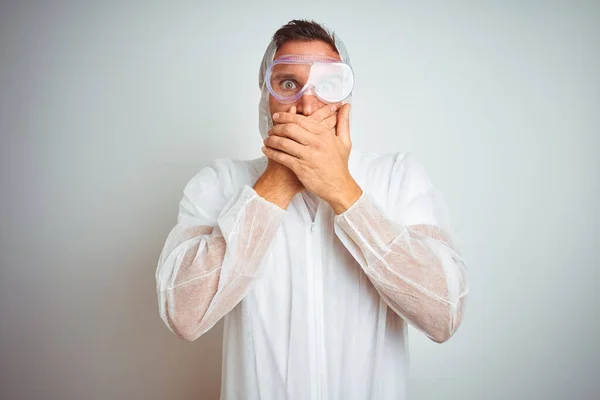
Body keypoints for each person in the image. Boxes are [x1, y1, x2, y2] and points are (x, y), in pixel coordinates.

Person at [155, 19, 468, 400]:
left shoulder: (398, 178)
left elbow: (443, 315)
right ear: (265, 96)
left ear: (345, 98)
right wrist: (276, 183)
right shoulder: (219, 182)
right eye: (288, 83)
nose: (307, 103)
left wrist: (344, 193)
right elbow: (184, 316)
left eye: (327, 84)